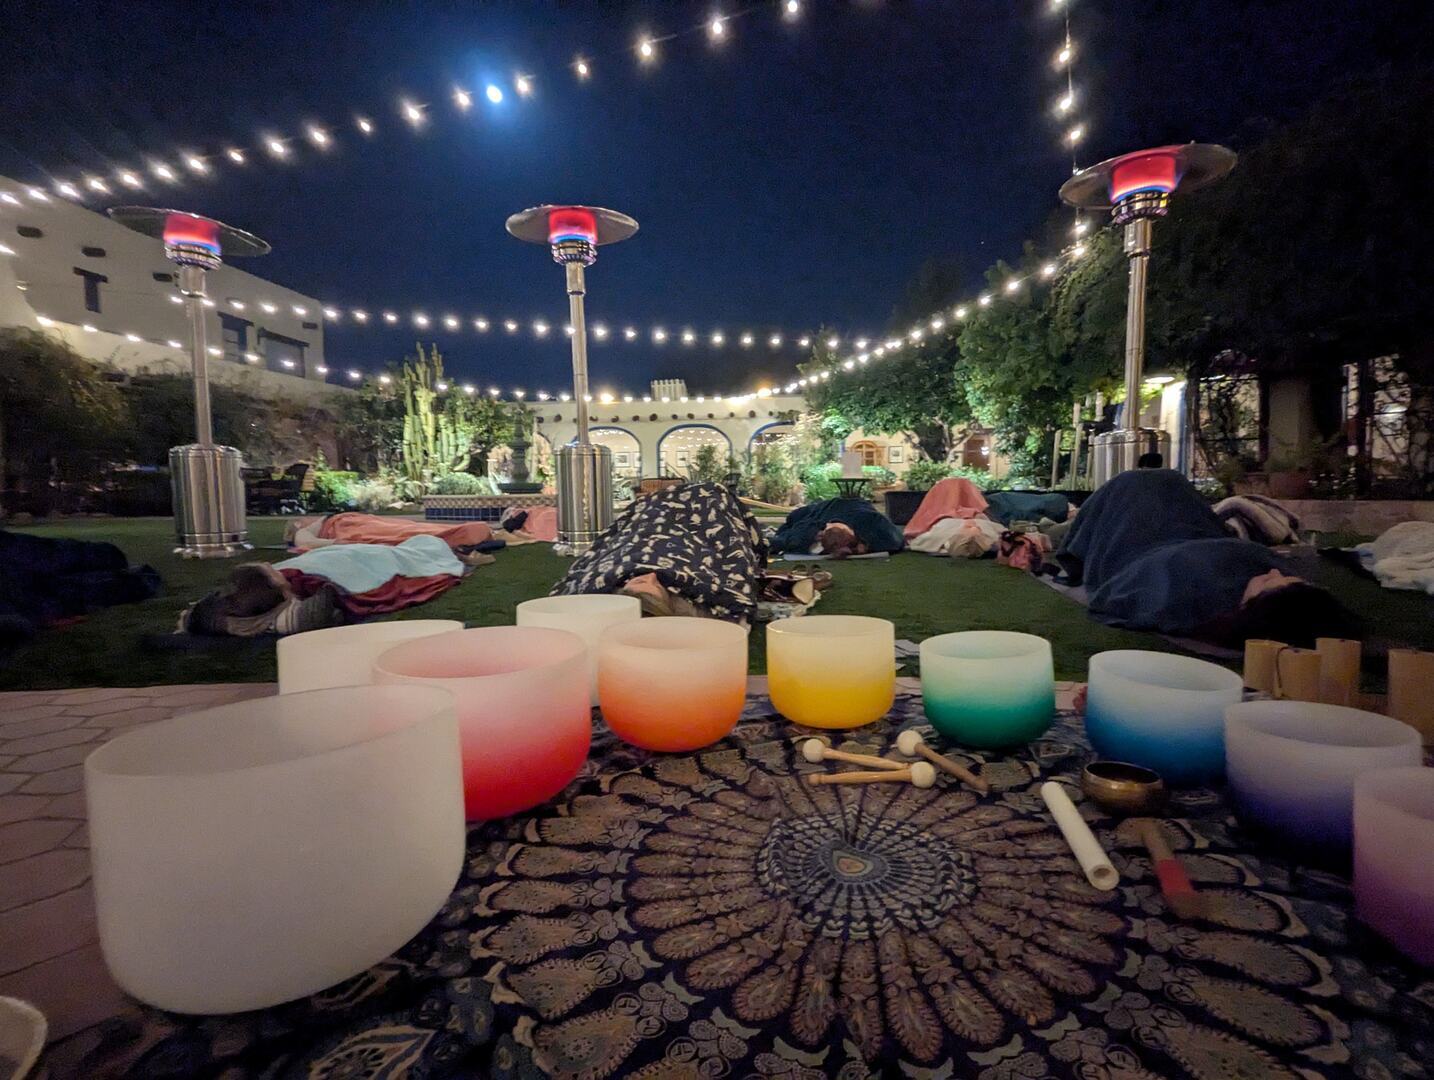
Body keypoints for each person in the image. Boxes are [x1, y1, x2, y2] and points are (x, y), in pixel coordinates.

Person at [1057, 469, 1356, 646]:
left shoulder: (1192, 598)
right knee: (1167, 480)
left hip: (1142, 538)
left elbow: (1122, 593)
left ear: (1252, 609)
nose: (1274, 573)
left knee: (1137, 484)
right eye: (1287, 577)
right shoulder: (1273, 583)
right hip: (1191, 526)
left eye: (1268, 583)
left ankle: (1066, 530)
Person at [770, 497, 906, 558]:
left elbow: (897, 540)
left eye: (851, 545)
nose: (848, 551)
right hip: (816, 510)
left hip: (854, 505)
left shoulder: (872, 521)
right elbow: (778, 541)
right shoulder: (809, 528)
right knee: (792, 519)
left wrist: (867, 545)